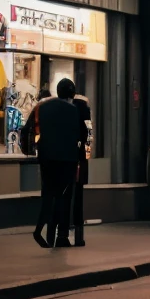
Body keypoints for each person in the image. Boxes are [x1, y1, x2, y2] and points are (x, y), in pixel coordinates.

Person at [31, 78, 84, 249]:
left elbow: (28, 129)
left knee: (47, 194)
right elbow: (82, 135)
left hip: (46, 158)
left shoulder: (43, 107)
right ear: (72, 94)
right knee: (63, 197)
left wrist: (34, 148)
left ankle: (40, 230)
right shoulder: (74, 110)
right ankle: (61, 236)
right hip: (67, 160)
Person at [69, 86, 93, 246]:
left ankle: (62, 232)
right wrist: (87, 156)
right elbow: (89, 136)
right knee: (78, 197)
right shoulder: (84, 111)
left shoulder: (65, 110)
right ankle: (79, 235)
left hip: (66, 158)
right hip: (80, 160)